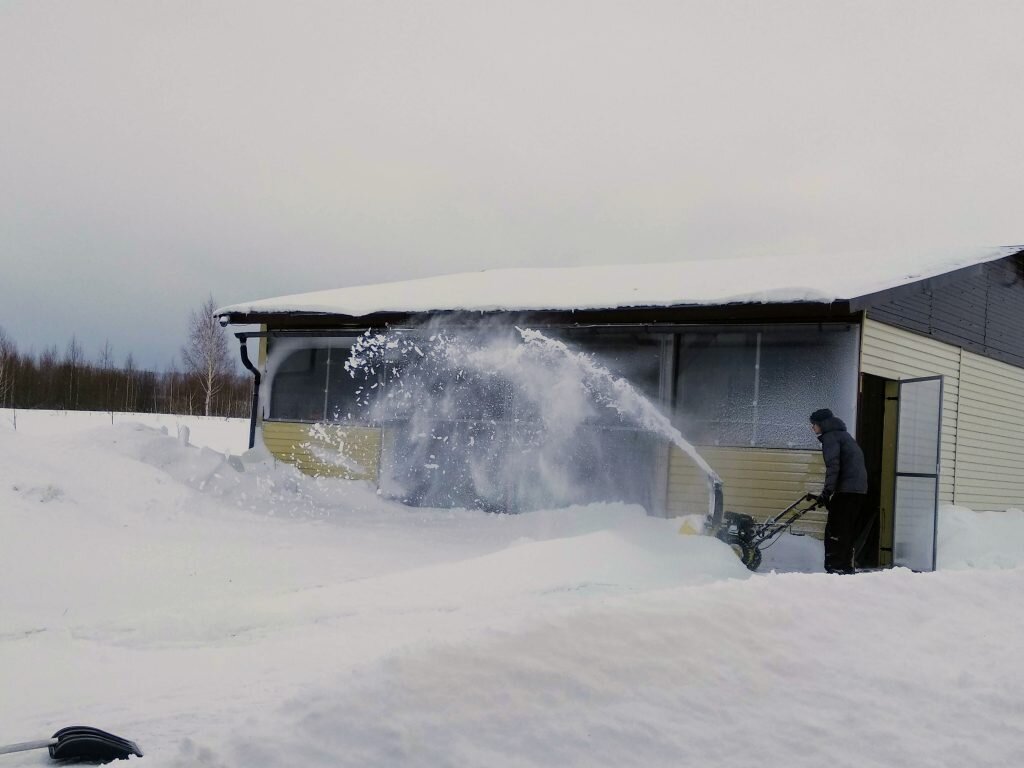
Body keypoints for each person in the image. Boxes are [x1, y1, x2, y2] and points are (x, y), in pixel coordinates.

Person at [810, 408, 868, 574]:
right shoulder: (844, 436)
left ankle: (835, 568)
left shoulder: (831, 438)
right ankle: (844, 566)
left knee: (835, 530)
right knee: (846, 529)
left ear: (821, 424)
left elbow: (833, 467)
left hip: (847, 491)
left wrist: (826, 493)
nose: (813, 429)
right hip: (858, 491)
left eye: (813, 425)